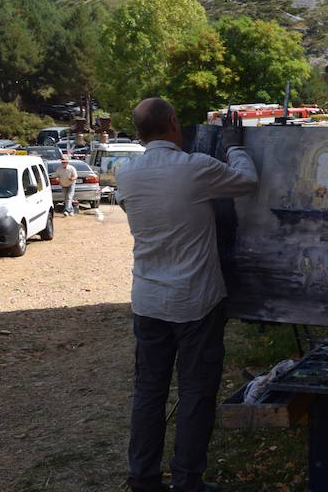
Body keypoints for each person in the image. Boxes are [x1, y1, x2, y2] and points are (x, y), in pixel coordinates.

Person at [116, 98, 258, 492]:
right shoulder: (195, 169)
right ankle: (187, 480)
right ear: (174, 123)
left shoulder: (125, 175)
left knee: (149, 391)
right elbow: (248, 183)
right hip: (196, 300)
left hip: (149, 298)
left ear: (141, 133)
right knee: (195, 392)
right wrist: (234, 146)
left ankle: (143, 479)